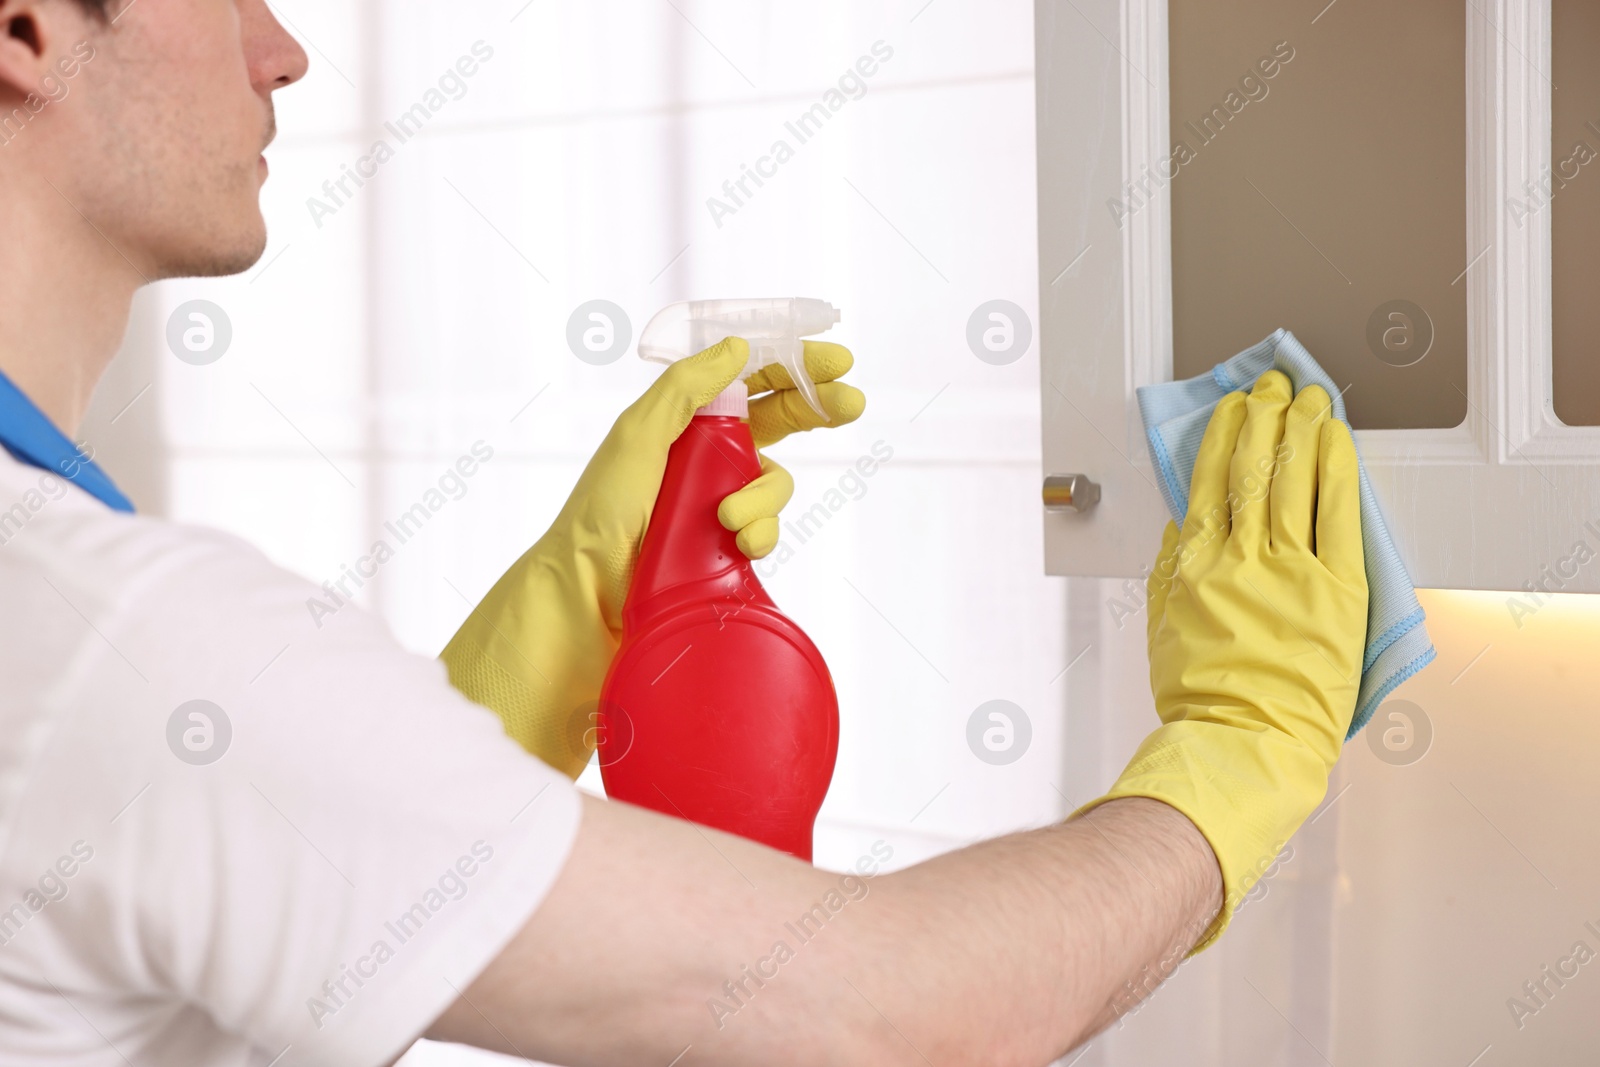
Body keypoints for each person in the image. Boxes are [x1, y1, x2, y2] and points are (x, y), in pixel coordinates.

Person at [0, 1, 1370, 1064]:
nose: (282, 50)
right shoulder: (122, 641)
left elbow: (190, 973)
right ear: (28, 27)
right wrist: (1237, 755)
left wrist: (511, 677)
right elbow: (894, 1015)